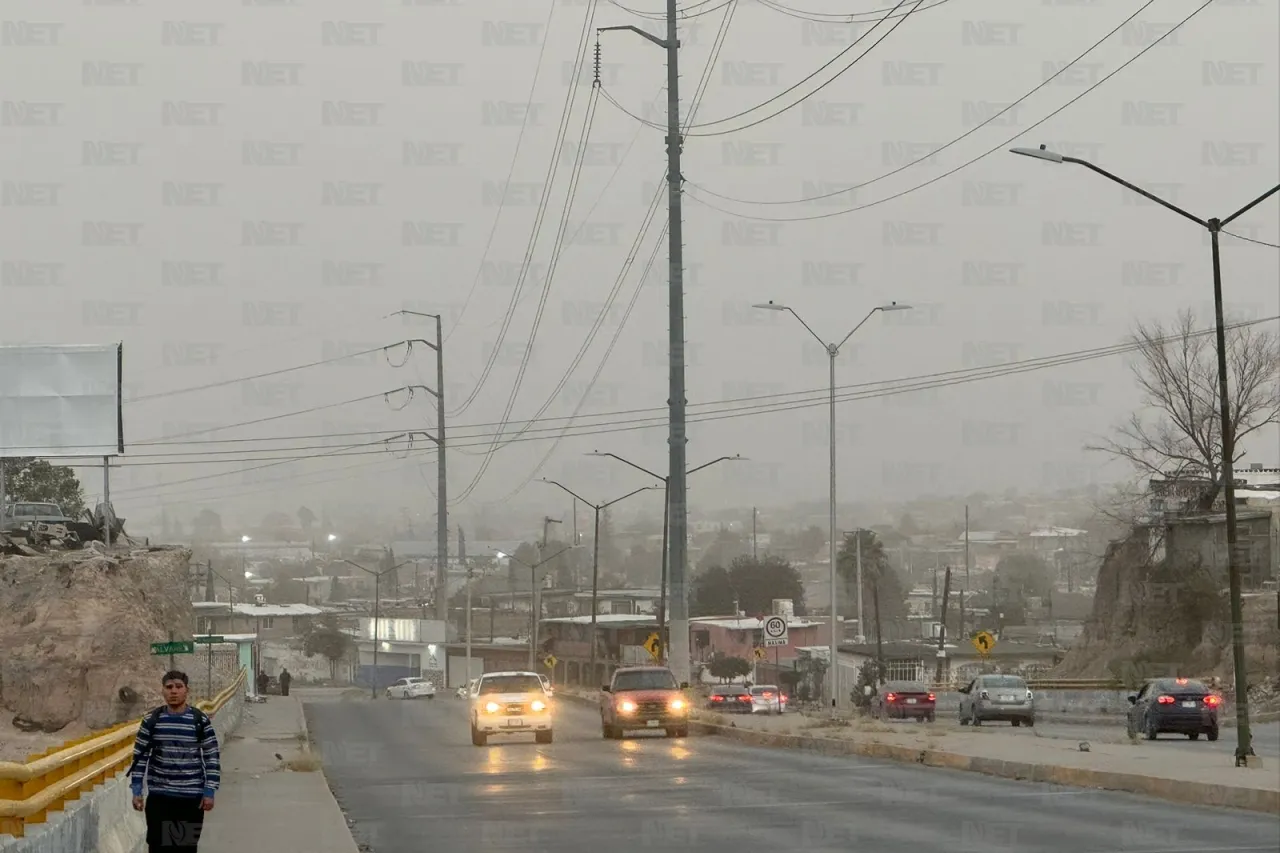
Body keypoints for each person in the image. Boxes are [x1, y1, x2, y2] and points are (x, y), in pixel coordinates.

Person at [129, 671, 221, 853]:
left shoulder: (199, 721)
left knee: (184, 848)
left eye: (179, 687)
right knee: (158, 847)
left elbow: (211, 756)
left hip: (189, 799)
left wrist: (209, 790)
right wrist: (137, 790)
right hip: (160, 798)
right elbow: (139, 757)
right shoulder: (151, 721)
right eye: (169, 687)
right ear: (162, 691)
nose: (174, 691)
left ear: (187, 690)